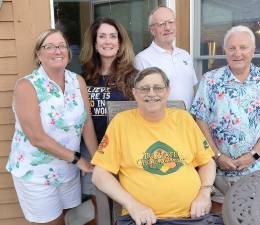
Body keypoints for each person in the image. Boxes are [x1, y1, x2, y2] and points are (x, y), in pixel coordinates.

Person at [91, 67, 224, 225]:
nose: (151, 93)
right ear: (135, 92)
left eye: (158, 88)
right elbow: (99, 175)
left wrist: (204, 192)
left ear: (167, 91)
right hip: (142, 219)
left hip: (192, 217)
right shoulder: (121, 123)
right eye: (144, 88)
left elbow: (207, 161)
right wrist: (132, 205)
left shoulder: (183, 119)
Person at [6, 29, 97, 225]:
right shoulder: (26, 86)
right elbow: (36, 137)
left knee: (69, 218)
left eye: (62, 46)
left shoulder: (77, 81)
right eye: (50, 47)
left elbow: (86, 122)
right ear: (39, 55)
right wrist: (78, 159)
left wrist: (98, 158)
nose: (57, 51)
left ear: (68, 52)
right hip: (36, 174)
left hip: (67, 171)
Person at [191, 25, 260, 186]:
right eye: (232, 48)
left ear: (253, 50)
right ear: (225, 51)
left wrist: (253, 155)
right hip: (215, 171)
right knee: (217, 210)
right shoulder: (210, 80)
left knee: (252, 209)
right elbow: (200, 120)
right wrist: (218, 155)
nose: (237, 53)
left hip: (254, 169)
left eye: (243, 47)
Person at [79, 18, 137, 205]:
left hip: (123, 152)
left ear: (120, 44)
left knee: (124, 201)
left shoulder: (133, 77)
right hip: (91, 149)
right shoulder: (84, 77)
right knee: (98, 202)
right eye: (102, 36)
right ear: (95, 44)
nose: (108, 41)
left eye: (113, 36)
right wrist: (95, 155)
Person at [135, 6, 198, 109]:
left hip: (188, 121)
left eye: (170, 22)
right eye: (161, 24)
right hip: (161, 122)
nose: (167, 28)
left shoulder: (185, 55)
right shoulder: (142, 59)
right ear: (152, 30)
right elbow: (141, 97)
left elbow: (192, 88)